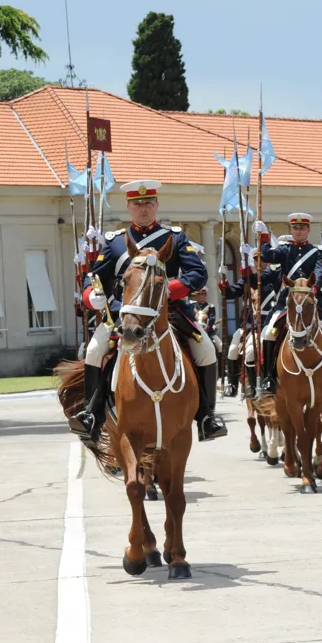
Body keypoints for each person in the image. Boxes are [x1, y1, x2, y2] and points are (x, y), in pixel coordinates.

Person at [69, 180, 227, 445]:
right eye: (138, 204)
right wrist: (91, 296)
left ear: (156, 205)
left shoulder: (174, 238)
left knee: (206, 349)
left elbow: (197, 273)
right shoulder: (116, 242)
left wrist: (169, 290)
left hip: (170, 313)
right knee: (95, 351)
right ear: (129, 207)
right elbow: (93, 277)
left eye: (148, 203)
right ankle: (92, 415)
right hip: (125, 314)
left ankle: (206, 417)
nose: (143, 209)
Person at [253, 213, 322, 392]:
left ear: (308, 230)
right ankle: (269, 376)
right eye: (295, 228)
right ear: (291, 230)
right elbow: (267, 255)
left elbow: (320, 272)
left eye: (302, 228)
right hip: (287, 302)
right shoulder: (284, 251)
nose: (298, 231)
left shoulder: (318, 252)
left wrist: (311, 290)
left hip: (312, 299)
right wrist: (264, 236)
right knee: (269, 333)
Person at [219, 259, 283, 399]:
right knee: (233, 350)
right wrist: (224, 282)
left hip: (269, 321)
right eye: (255, 261)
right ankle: (235, 385)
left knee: (251, 351)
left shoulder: (274, 277)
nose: (258, 264)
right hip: (250, 324)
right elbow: (230, 293)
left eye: (262, 261)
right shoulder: (247, 281)